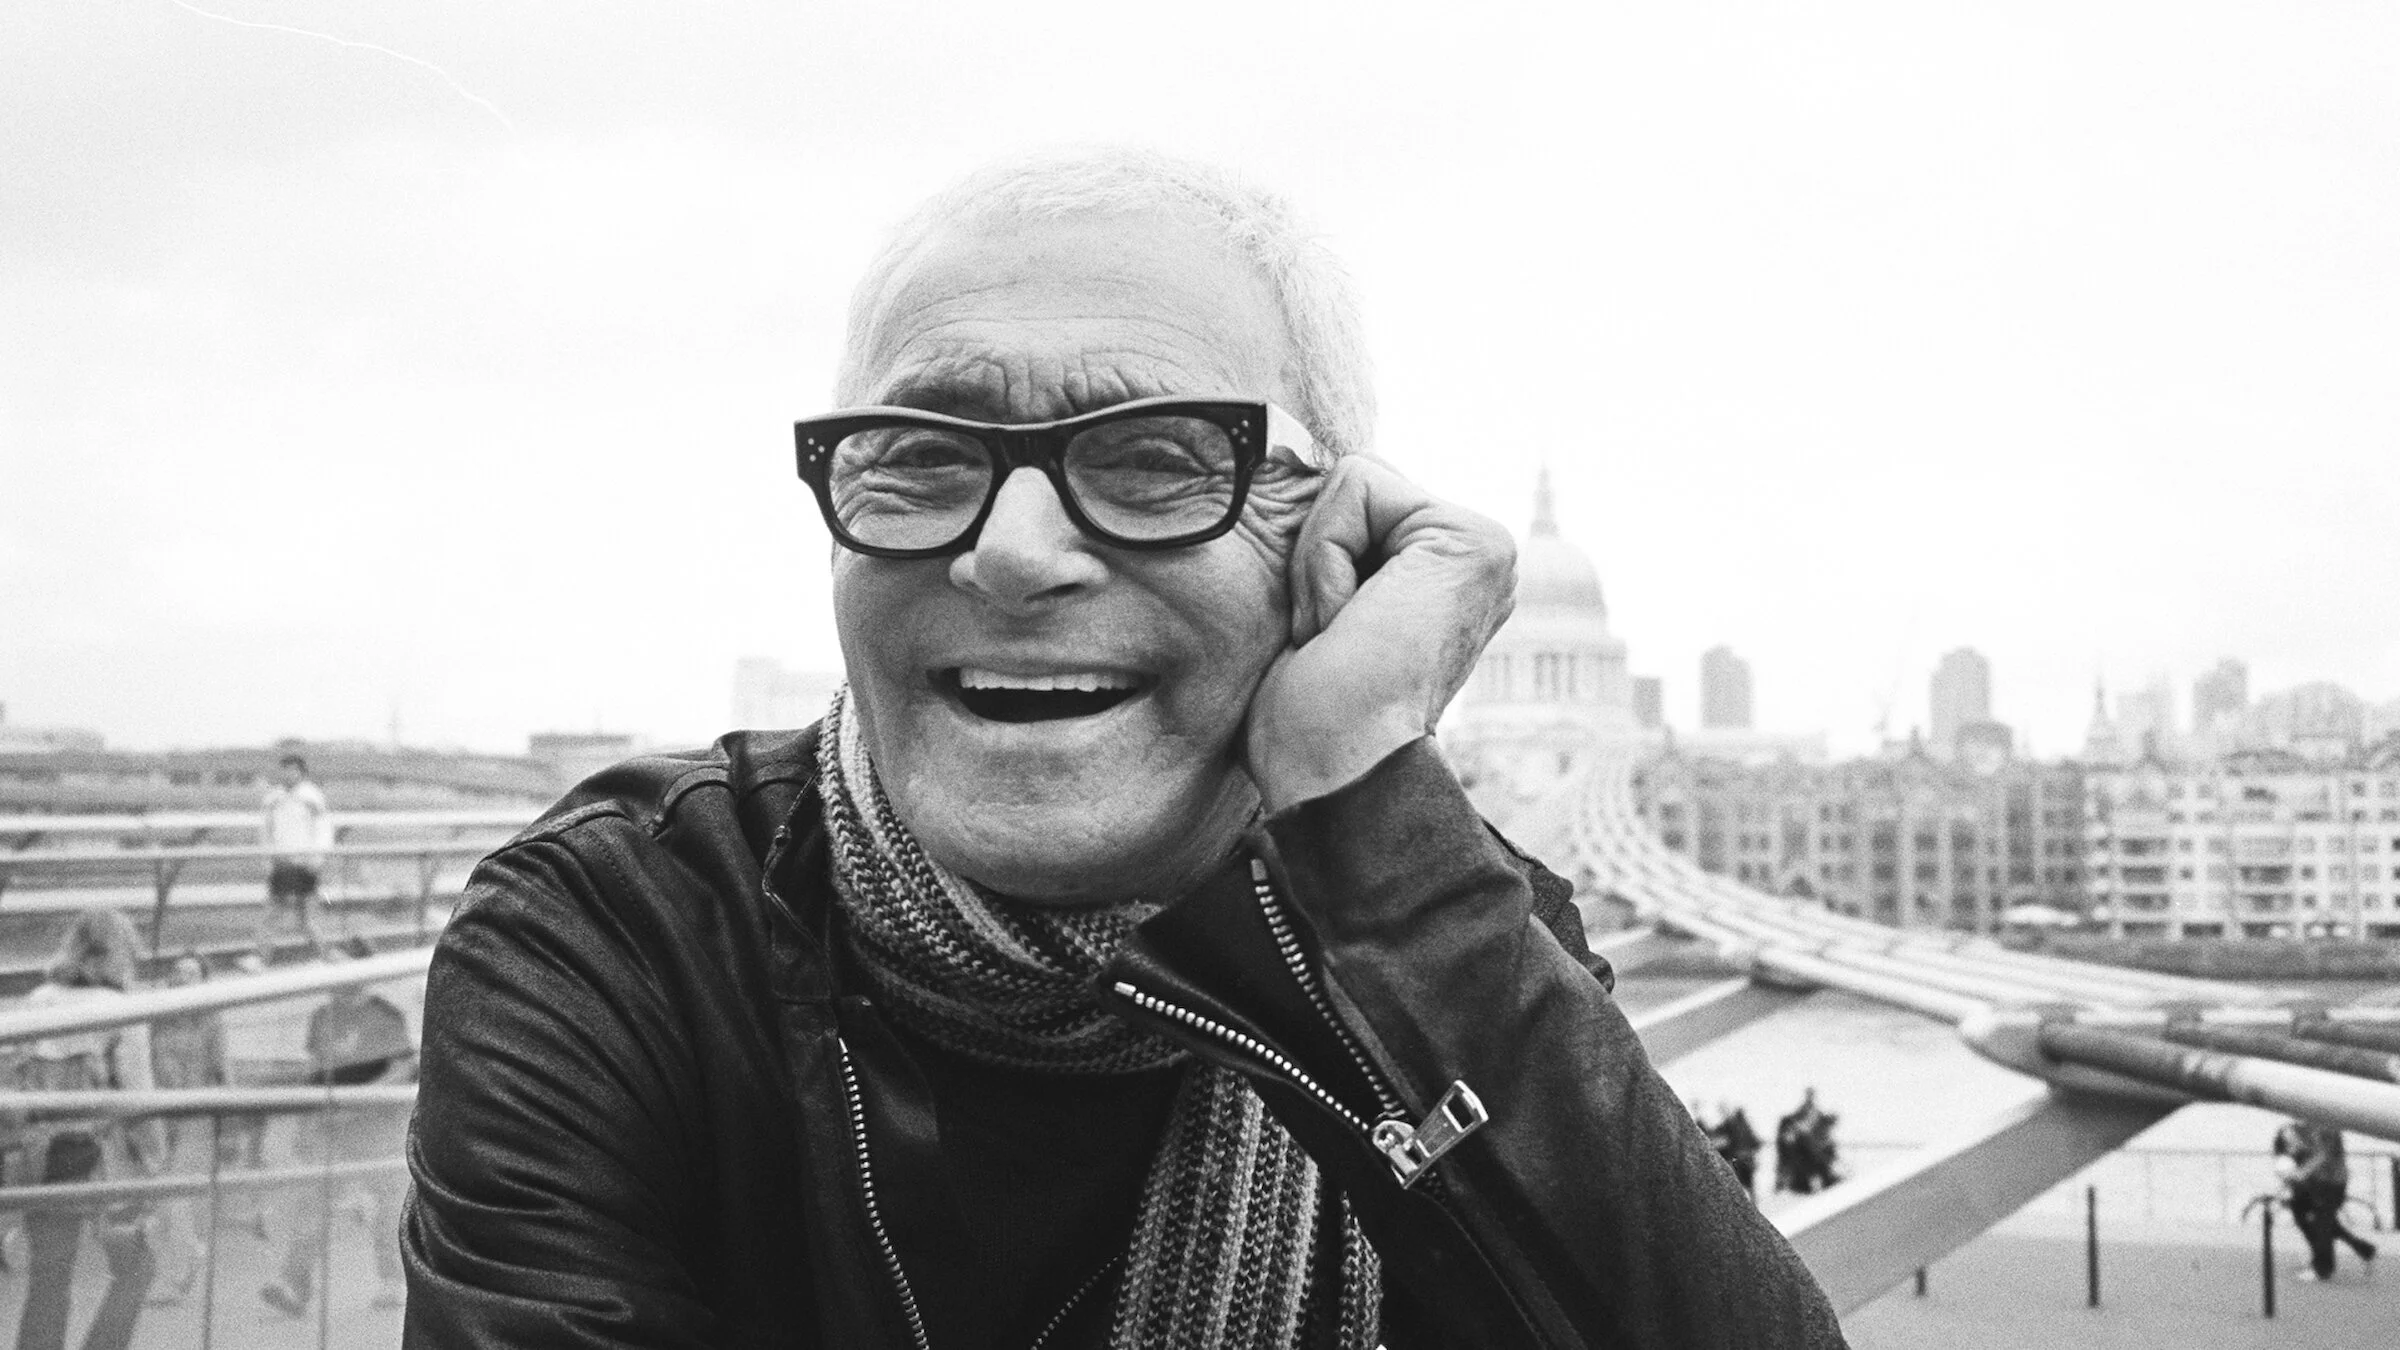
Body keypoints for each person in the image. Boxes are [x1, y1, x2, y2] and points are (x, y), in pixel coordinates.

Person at [403, 149, 1845, 1348]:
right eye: (919, 453)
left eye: (1155, 455)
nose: (1012, 555)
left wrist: (1360, 802)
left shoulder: (1449, 941)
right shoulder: (622, 934)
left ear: (1327, 538)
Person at [11, 910, 162, 1350]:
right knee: (136, 1267)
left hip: (40, 1154)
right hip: (100, 1156)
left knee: (50, 1276)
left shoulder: (38, 999)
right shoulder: (121, 1009)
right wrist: (155, 1163)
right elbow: (139, 1098)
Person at [262, 938, 416, 1316]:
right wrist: (305, 1120)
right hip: (332, 1129)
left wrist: (359, 1100)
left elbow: (402, 1069)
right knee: (313, 1204)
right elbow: (314, 1069)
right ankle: (294, 1286)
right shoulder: (322, 1015)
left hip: (377, 1128)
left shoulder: (385, 1015)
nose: (330, 975)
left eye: (339, 965)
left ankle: (392, 1282)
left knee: (389, 1206)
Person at [145, 951, 227, 1306]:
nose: (183, 977)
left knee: (171, 1193)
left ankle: (179, 1270)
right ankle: (182, 1258)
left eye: (192, 973)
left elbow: (222, 1071)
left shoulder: (212, 1021)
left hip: (196, 1116)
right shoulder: (157, 1019)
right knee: (164, 1197)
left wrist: (228, 1122)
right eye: (178, 971)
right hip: (161, 1115)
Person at [2276, 1119, 2376, 1282]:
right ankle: (2364, 1249)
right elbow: (2305, 1150)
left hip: (2332, 1182)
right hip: (2314, 1182)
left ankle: (2323, 1269)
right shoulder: (2305, 1126)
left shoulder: (2326, 1125)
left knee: (2322, 1224)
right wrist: (2293, 1143)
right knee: (2325, 1223)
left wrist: (2302, 1172)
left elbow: (2323, 1155)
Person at [259, 753, 334, 949]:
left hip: (304, 864)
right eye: (284, 770)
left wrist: (316, 859)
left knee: (308, 914)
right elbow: (266, 832)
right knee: (273, 913)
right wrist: (267, 860)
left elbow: (323, 830)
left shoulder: (312, 797)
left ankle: (325, 953)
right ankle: (262, 955)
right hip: (281, 863)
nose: (287, 775)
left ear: (302, 773)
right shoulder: (273, 799)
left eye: (292, 771)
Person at [1775, 1088, 1840, 1195]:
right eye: (1810, 1095)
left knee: (1819, 1163)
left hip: (1814, 1148)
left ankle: (1824, 1183)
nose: (1811, 1097)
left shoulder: (1816, 1112)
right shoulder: (1803, 1111)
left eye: (1812, 1095)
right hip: (1806, 1149)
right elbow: (1797, 1126)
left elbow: (1820, 1129)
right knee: (1812, 1164)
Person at [1708, 1101, 1763, 1199]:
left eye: (1725, 1109)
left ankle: (1752, 1200)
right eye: (1722, 1111)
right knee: (1740, 1180)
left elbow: (1749, 1136)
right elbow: (1718, 1140)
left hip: (1746, 1156)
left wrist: (1756, 1144)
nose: (1724, 1112)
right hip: (1735, 1158)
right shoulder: (1724, 1127)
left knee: (1749, 1181)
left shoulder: (1740, 1123)